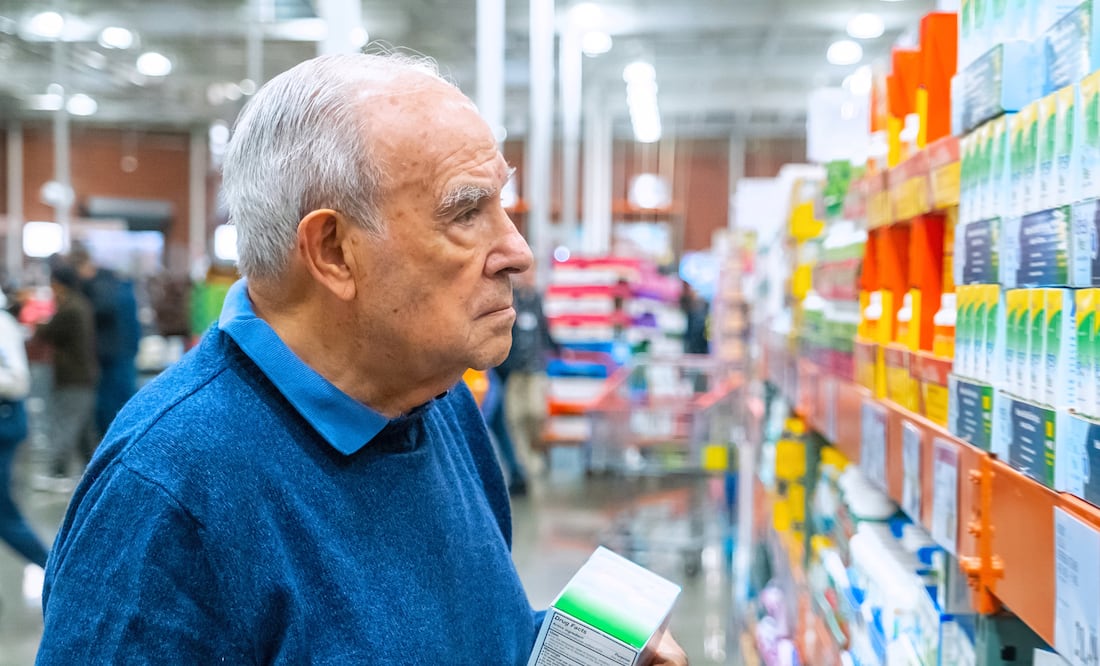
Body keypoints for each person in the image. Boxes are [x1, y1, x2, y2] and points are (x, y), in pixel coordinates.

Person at [37, 53, 688, 665]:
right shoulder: (169, 494)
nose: (518, 252)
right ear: (334, 252)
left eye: (503, 206)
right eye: (467, 212)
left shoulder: (435, 400)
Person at [33, 263, 98, 490]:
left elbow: (49, 331)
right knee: (82, 428)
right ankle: (92, 475)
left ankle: (58, 473)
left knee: (67, 424)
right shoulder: (80, 304)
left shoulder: (70, 308)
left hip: (73, 375)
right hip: (83, 374)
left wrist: (37, 322)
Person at [69, 243, 141, 438]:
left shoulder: (101, 285)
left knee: (111, 406)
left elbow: (103, 310)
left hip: (113, 354)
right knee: (118, 402)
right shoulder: (113, 282)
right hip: (121, 351)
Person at [0, 288, 49, 569]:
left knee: (4, 514)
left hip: (4, 423)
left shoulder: (2, 326)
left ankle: (56, 570)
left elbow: (18, 381)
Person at [498, 267, 560, 479]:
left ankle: (537, 453)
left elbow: (543, 329)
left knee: (535, 412)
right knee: (516, 417)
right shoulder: (510, 298)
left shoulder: (537, 300)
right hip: (514, 370)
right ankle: (525, 463)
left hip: (535, 368)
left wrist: (558, 349)